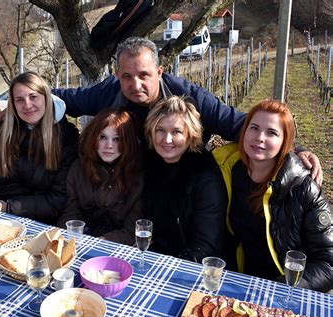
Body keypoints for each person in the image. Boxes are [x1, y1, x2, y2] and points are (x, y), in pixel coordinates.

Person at [53, 36, 323, 185]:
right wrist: (13, 101)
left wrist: (295, 149)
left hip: (183, 183)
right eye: (127, 76)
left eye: (144, 75)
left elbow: (237, 124)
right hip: (133, 186)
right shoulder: (109, 91)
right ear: (117, 75)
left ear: (159, 72)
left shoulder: (191, 96)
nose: (135, 84)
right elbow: (66, 99)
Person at [212, 99, 332, 293]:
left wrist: (279, 288)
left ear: (285, 142)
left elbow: (328, 263)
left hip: (287, 291)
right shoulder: (226, 171)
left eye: (272, 133)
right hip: (239, 282)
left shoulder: (304, 188)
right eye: (254, 128)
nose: (260, 137)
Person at [0, 72, 79, 225]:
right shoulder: (6, 130)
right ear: (13, 104)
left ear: (46, 98)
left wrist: (9, 206)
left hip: (41, 221)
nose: (27, 105)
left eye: (33, 97)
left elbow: (57, 200)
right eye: (19, 100)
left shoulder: (66, 138)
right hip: (0, 216)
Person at [143, 96, 227, 262]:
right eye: (160, 130)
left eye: (177, 132)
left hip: (190, 267)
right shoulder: (150, 165)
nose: (167, 140)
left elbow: (205, 247)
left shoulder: (206, 176)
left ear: (191, 135)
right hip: (156, 258)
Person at [57, 108, 143, 245]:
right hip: (80, 238)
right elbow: (71, 209)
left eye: (116, 139)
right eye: (103, 137)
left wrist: (101, 242)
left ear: (127, 142)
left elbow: (133, 229)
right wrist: (69, 236)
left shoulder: (137, 175)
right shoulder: (80, 166)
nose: (109, 146)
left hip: (118, 245)